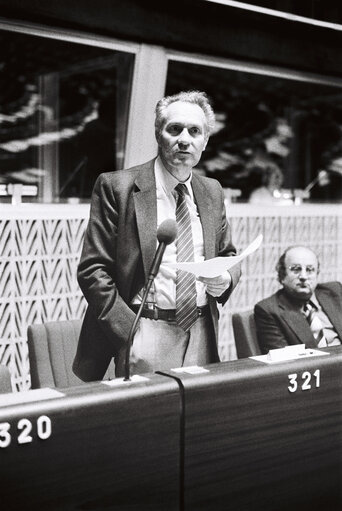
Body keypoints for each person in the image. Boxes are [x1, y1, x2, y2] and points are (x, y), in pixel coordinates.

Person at [73, 90, 241, 381]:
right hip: (146, 331)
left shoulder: (212, 190)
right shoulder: (118, 187)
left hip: (202, 329)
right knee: (147, 423)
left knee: (199, 420)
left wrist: (226, 278)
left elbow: (228, 254)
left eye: (194, 131)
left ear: (205, 141)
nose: (184, 139)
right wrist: (130, 331)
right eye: (174, 129)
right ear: (159, 134)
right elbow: (92, 270)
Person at [254, 245, 342, 353]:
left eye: (310, 270)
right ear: (282, 276)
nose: (303, 276)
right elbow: (283, 362)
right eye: (296, 269)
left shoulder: (335, 292)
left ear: (317, 274)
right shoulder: (269, 310)